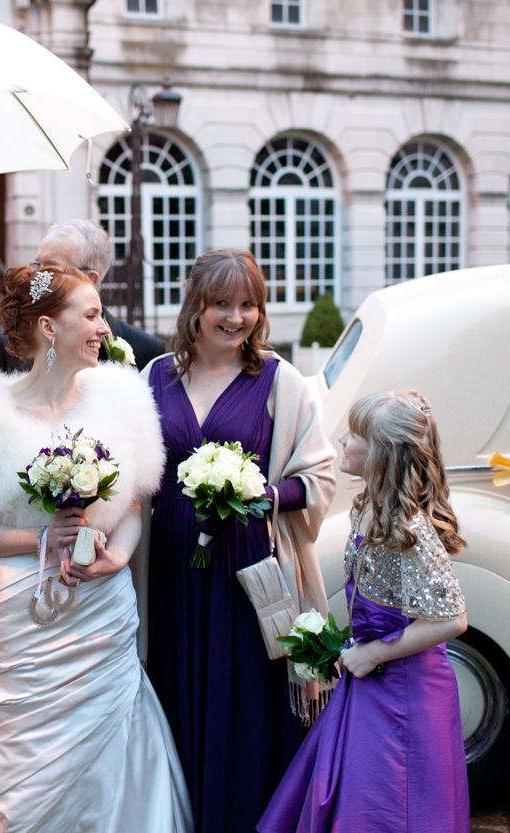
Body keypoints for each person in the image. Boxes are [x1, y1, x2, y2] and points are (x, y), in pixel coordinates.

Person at [0, 265, 192, 833]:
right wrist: (43, 538)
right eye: (91, 315)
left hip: (102, 607)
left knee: (115, 742)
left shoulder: (122, 396)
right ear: (49, 327)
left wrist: (117, 557)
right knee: (28, 758)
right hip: (23, 609)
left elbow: (136, 505)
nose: (103, 327)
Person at [141, 248, 337, 833]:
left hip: (248, 565)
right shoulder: (154, 377)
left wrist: (268, 497)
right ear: (194, 307)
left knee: (246, 699)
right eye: (221, 303)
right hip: (170, 568)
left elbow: (321, 475)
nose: (236, 317)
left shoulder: (281, 380)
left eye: (248, 304)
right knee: (174, 686)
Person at [258, 390, 470, 832]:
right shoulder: (368, 509)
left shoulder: (410, 528)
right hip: (369, 678)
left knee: (389, 802)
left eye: (354, 435)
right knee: (354, 794)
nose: (342, 441)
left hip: (407, 692)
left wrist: (373, 653)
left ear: (381, 453)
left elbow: (451, 619)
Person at [0, 219, 165, 372]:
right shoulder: (11, 343)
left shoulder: (144, 350)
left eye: (51, 269)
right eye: (37, 264)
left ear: (89, 279)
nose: (38, 275)